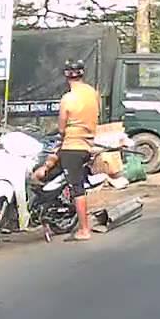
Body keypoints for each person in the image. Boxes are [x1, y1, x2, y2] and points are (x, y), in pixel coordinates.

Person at [57, 59, 100, 240]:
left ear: (66, 76)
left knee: (77, 187)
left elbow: (61, 128)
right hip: (87, 145)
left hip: (72, 146)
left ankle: (84, 229)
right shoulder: (93, 93)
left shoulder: (68, 99)